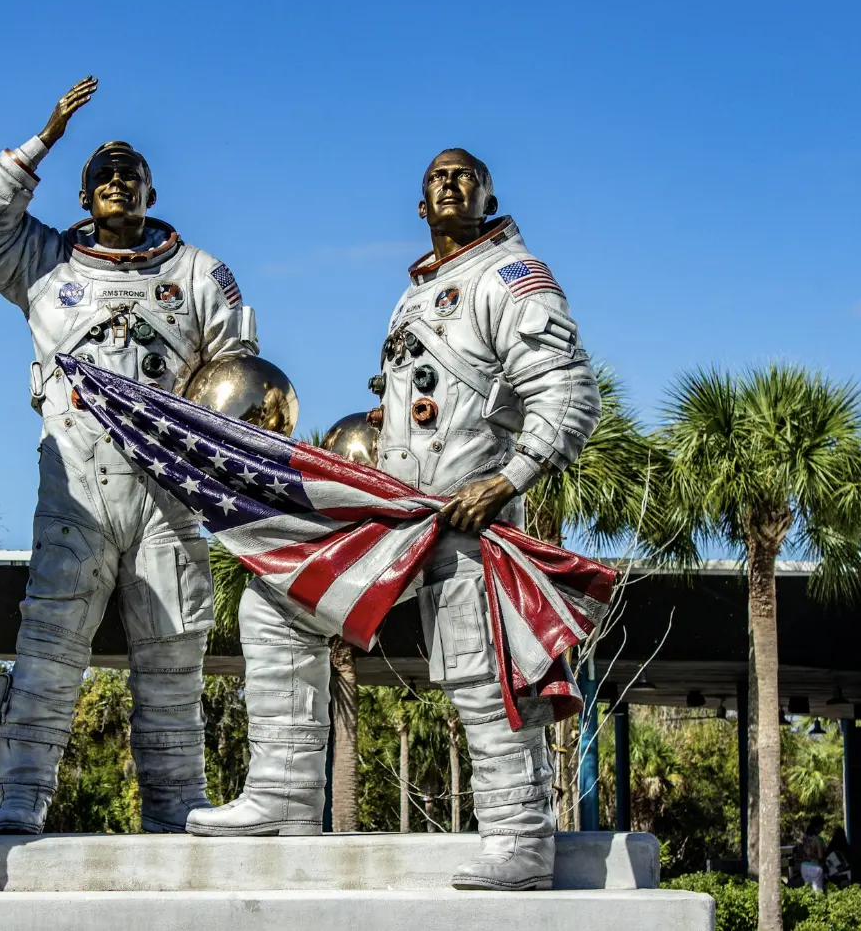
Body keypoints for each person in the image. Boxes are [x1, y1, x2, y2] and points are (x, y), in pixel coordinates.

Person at [185, 149, 601, 893]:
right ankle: (281, 794)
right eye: (436, 178)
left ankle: (520, 837)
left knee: (479, 666)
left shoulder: (510, 277)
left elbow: (569, 391)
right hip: (402, 512)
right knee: (280, 598)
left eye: (464, 176)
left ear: (489, 195)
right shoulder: (418, 293)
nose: (449, 184)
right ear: (419, 205)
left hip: (468, 515)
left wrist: (507, 478)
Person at [0, 77, 258, 835]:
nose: (118, 182)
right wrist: (44, 138)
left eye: (131, 172)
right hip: (75, 490)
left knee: (174, 653)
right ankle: (22, 795)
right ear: (83, 196)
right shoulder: (44, 263)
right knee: (49, 648)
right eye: (103, 175)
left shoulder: (199, 274)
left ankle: (176, 802)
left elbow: (240, 379)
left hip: (168, 493)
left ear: (152, 189)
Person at [799, 816, 828, 892]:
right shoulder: (818, 839)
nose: (823, 828)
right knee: (818, 893)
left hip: (804, 866)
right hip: (815, 868)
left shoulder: (805, 838)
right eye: (822, 826)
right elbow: (821, 856)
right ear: (817, 827)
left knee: (808, 892)